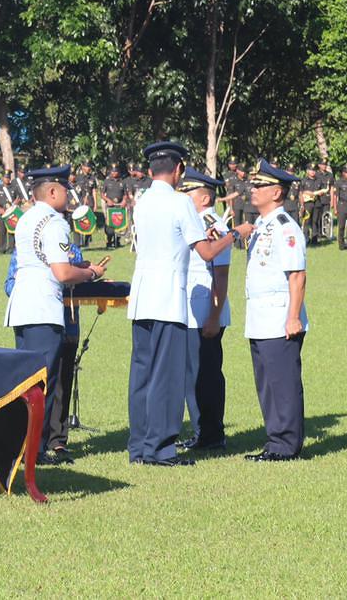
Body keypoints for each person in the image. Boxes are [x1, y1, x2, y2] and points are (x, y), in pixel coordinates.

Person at [127, 142, 240, 467]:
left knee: (142, 375)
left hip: (143, 296)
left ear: (150, 171)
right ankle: (161, 449)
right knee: (167, 376)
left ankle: (139, 446)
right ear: (178, 170)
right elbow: (205, 252)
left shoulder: (142, 201)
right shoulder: (180, 203)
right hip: (167, 298)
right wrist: (233, 235)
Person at [4, 165, 105, 458]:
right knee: (41, 383)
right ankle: (35, 451)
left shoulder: (25, 219)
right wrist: (91, 273)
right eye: (65, 190)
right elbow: (61, 272)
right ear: (52, 191)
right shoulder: (55, 222)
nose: (69, 196)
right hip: (43, 309)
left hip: (22, 307)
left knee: (26, 382)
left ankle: (22, 446)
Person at [240, 159, 309, 461]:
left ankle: (287, 445)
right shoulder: (261, 226)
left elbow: (297, 275)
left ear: (277, 193)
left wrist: (293, 316)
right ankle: (275, 441)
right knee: (267, 383)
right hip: (260, 316)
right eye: (253, 184)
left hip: (280, 316)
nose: (252, 190)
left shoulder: (285, 227)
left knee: (283, 383)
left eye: (260, 185)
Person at [177, 170, 231, 451]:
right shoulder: (193, 223)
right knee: (191, 376)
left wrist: (213, 316)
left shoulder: (214, 225)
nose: (183, 197)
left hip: (206, 313)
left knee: (206, 375)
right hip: (189, 312)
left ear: (205, 197)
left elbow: (220, 275)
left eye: (188, 193)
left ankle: (212, 434)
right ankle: (201, 431)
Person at [101, 163, 128, 249]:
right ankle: (109, 241)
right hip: (110, 206)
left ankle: (117, 241)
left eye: (116, 172)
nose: (114, 173)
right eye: (112, 172)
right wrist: (107, 200)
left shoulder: (122, 182)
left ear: (118, 172)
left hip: (119, 206)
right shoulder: (107, 181)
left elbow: (125, 194)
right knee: (109, 225)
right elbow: (102, 194)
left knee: (119, 223)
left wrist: (124, 200)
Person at [0, 172, 17, 255]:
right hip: (2, 212)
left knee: (11, 231)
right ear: (2, 178)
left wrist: (13, 204)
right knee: (2, 231)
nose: (7, 179)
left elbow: (18, 198)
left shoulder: (13, 188)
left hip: (11, 212)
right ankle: (2, 249)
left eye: (8, 177)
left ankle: (11, 249)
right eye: (5, 177)